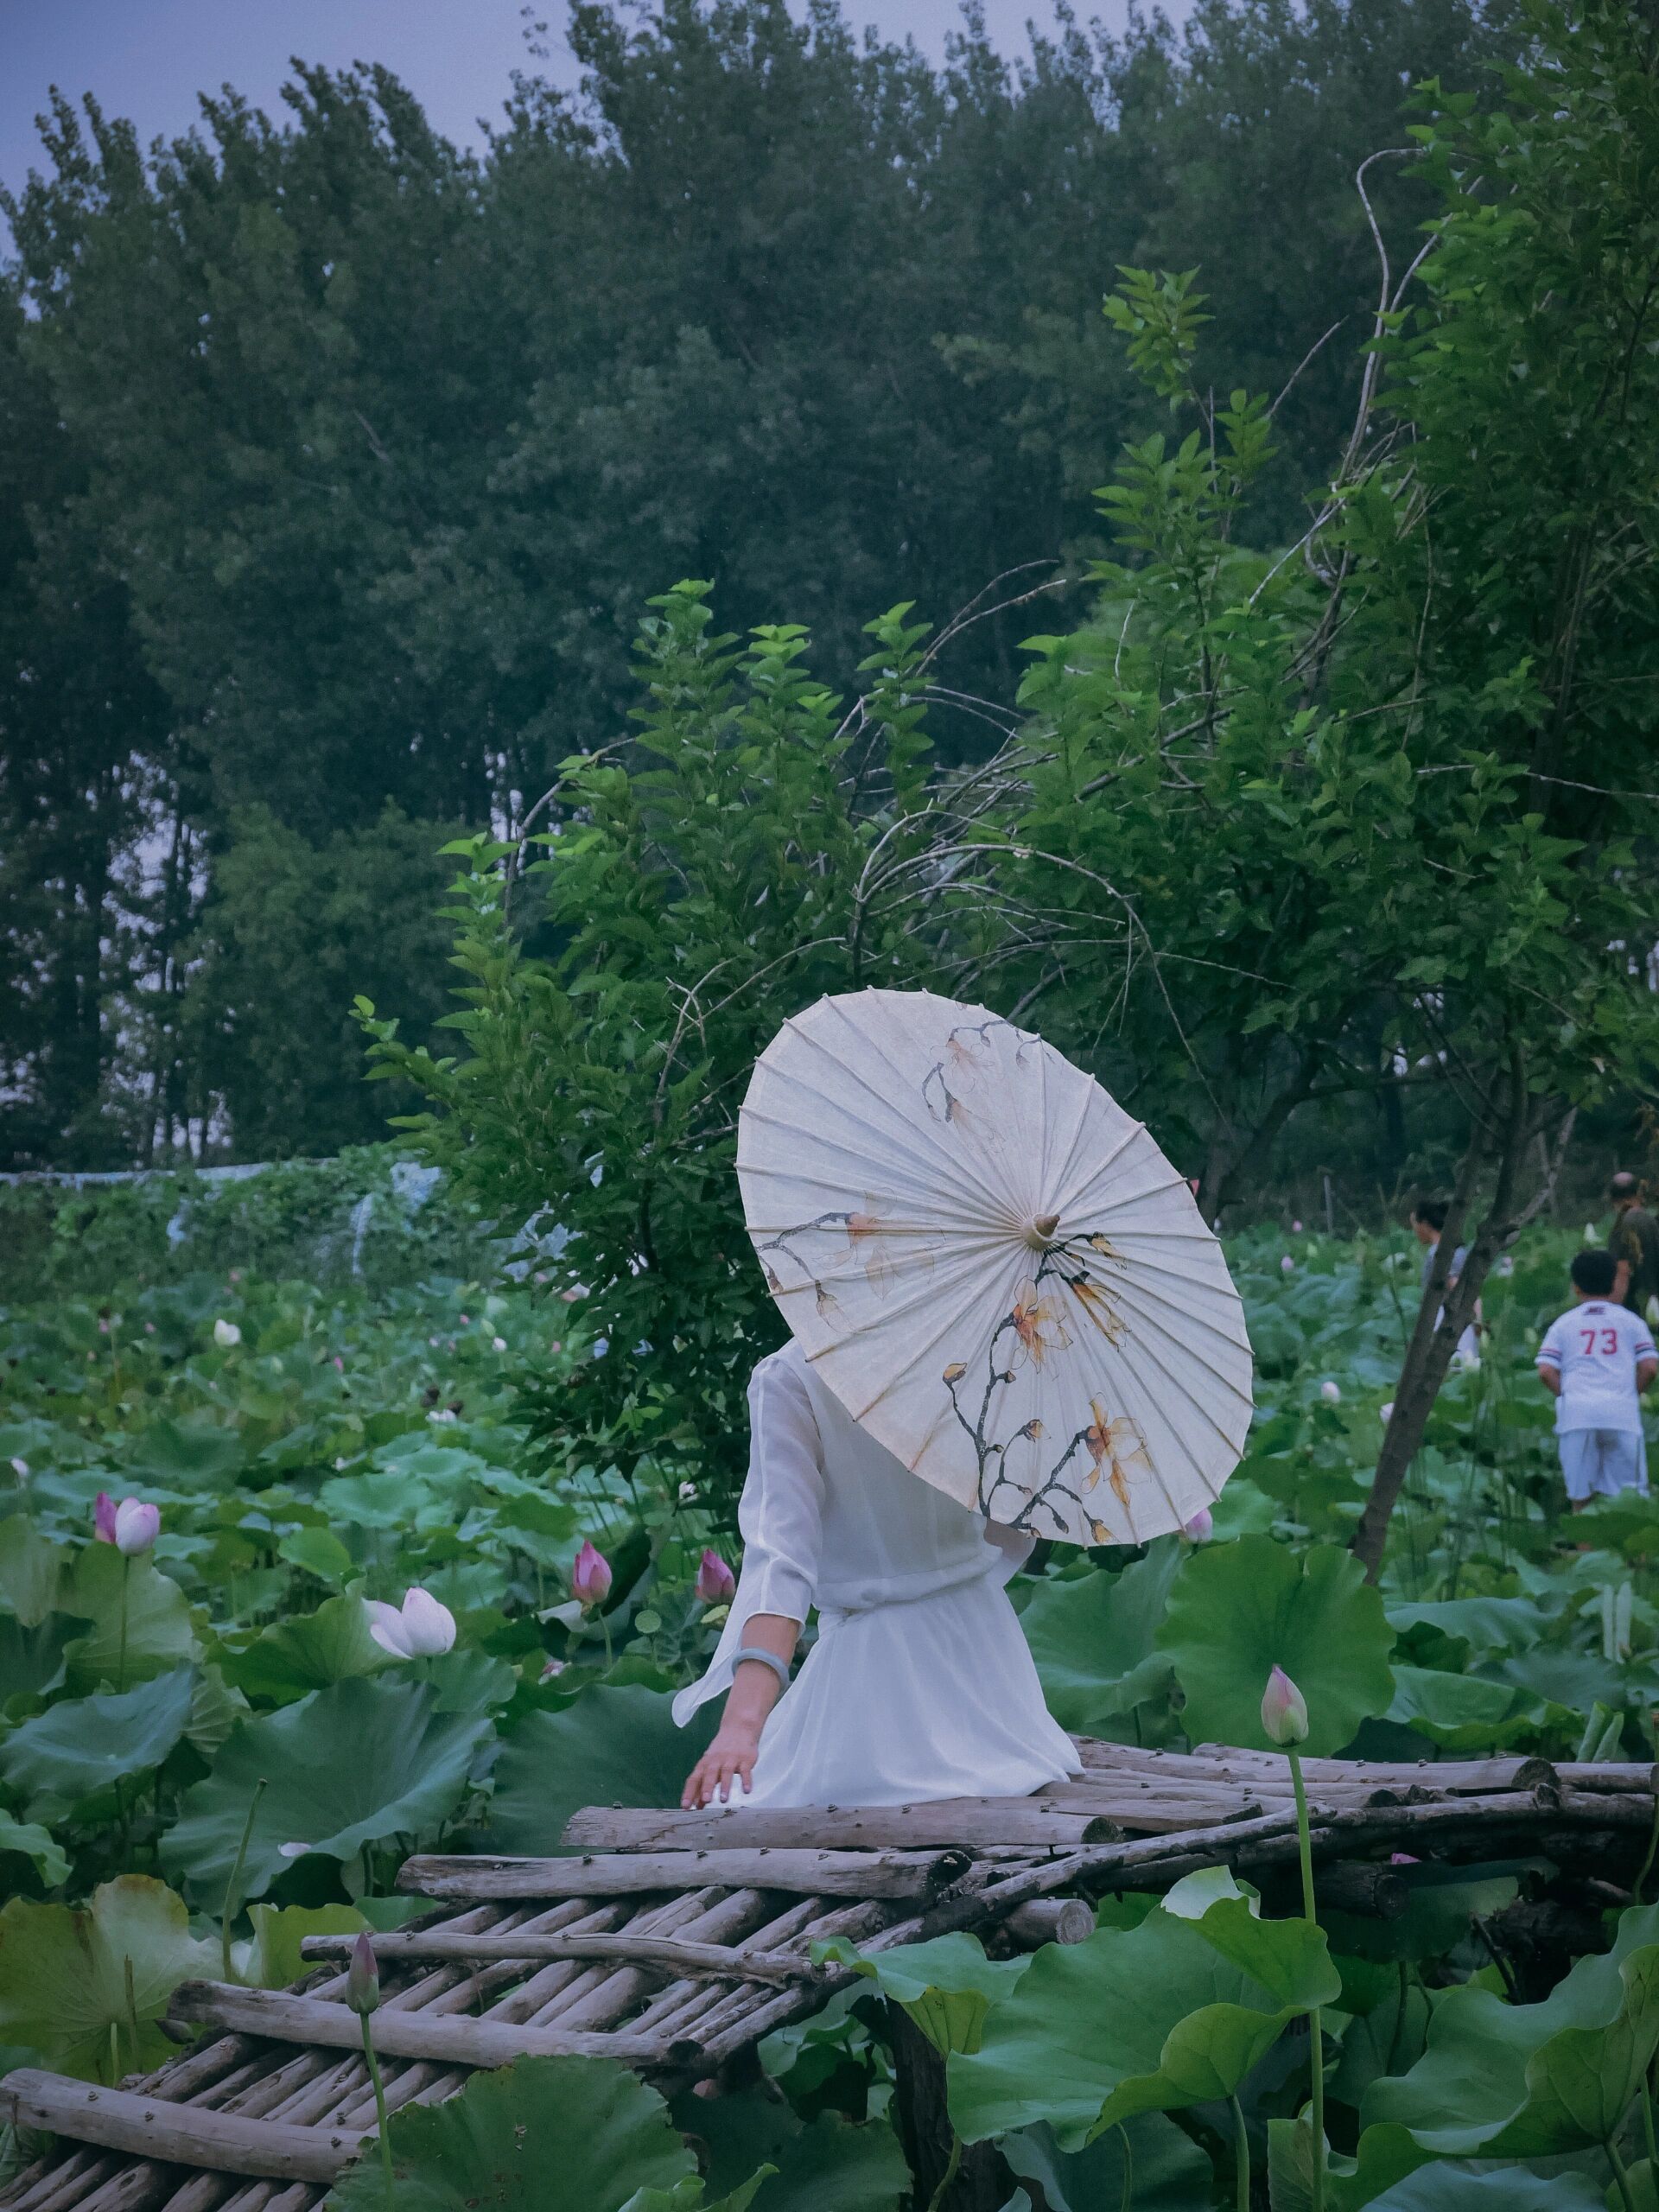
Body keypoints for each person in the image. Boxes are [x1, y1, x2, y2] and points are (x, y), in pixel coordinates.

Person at [675, 1334, 1079, 1809]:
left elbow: (782, 1564)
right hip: (992, 1667)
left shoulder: (793, 1375)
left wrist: (741, 1727)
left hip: (876, 1684)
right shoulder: (981, 1346)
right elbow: (1013, 1521)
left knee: (792, 1806)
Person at [1535, 1248, 1657, 1510]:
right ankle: (1635, 1552)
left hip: (1578, 1415)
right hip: (1620, 1413)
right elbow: (1650, 1367)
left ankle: (1584, 1551)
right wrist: (1630, 1393)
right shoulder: (1631, 1322)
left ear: (1576, 1287)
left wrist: (1567, 1394)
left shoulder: (1564, 1324)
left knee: (1582, 1497)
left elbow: (1545, 1370)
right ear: (1614, 1282)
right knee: (1631, 1501)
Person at [1409, 1194, 1479, 1364]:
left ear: (1425, 1225)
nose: (1414, 1230)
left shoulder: (1439, 1253)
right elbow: (1473, 1290)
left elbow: (1455, 1286)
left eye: (1415, 1225)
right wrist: (1477, 1318)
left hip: (1445, 1316)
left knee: (1450, 1364)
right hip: (1465, 1316)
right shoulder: (1461, 1250)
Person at [1607, 1171, 1659, 1317]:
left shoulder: (1623, 1225)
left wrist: (1613, 1312)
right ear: (1639, 1193)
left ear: (1612, 1199)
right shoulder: (1652, 1221)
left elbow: (1622, 1271)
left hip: (1639, 1308)